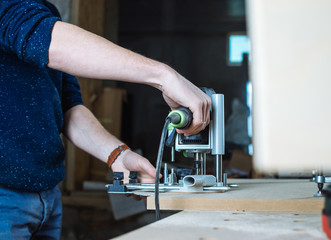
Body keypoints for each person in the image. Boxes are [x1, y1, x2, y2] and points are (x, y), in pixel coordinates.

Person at [0, 0, 211, 239]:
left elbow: (69, 108)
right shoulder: (22, 15)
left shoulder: (46, 11)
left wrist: (117, 154)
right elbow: (44, 39)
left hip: (48, 196)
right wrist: (165, 76)